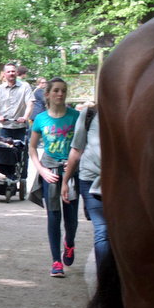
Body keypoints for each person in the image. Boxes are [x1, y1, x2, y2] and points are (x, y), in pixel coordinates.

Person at [28, 77, 79, 278]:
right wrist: (41, 170)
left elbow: (82, 144)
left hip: (71, 171)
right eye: (56, 90)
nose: (60, 94)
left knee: (72, 219)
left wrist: (74, 161)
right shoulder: (40, 119)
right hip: (50, 171)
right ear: (47, 94)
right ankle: (56, 261)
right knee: (53, 216)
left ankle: (70, 242)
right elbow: (32, 147)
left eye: (63, 90)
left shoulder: (76, 117)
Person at [61, 104, 109, 271]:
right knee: (103, 229)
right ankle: (105, 280)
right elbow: (77, 149)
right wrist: (65, 181)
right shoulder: (89, 114)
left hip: (121, 182)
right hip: (91, 178)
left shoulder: (131, 109)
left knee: (110, 231)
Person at [0, 62, 33, 142]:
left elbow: (30, 104)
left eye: (13, 71)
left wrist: (25, 117)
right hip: (4, 128)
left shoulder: (25, 87)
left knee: (23, 152)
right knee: (4, 152)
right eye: (8, 72)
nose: (11, 73)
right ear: (4, 74)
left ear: (16, 73)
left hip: (21, 127)